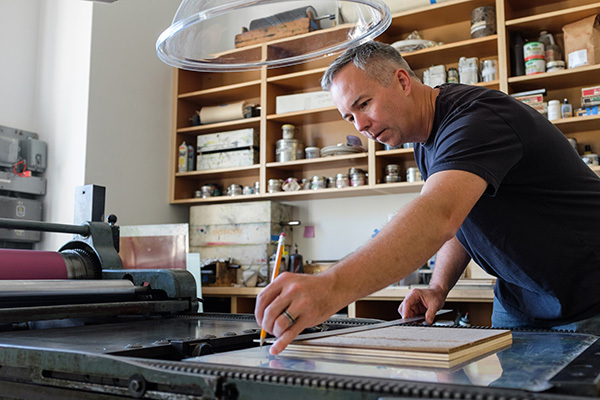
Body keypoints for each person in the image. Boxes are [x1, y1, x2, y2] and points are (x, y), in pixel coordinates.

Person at [255, 41, 600, 355]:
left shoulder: (475, 120)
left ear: (403, 82)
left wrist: (330, 288)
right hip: (521, 296)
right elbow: (464, 218)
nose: (359, 125)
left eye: (364, 104)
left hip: (587, 293)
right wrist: (437, 287)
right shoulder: (424, 139)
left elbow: (438, 215)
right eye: (349, 116)